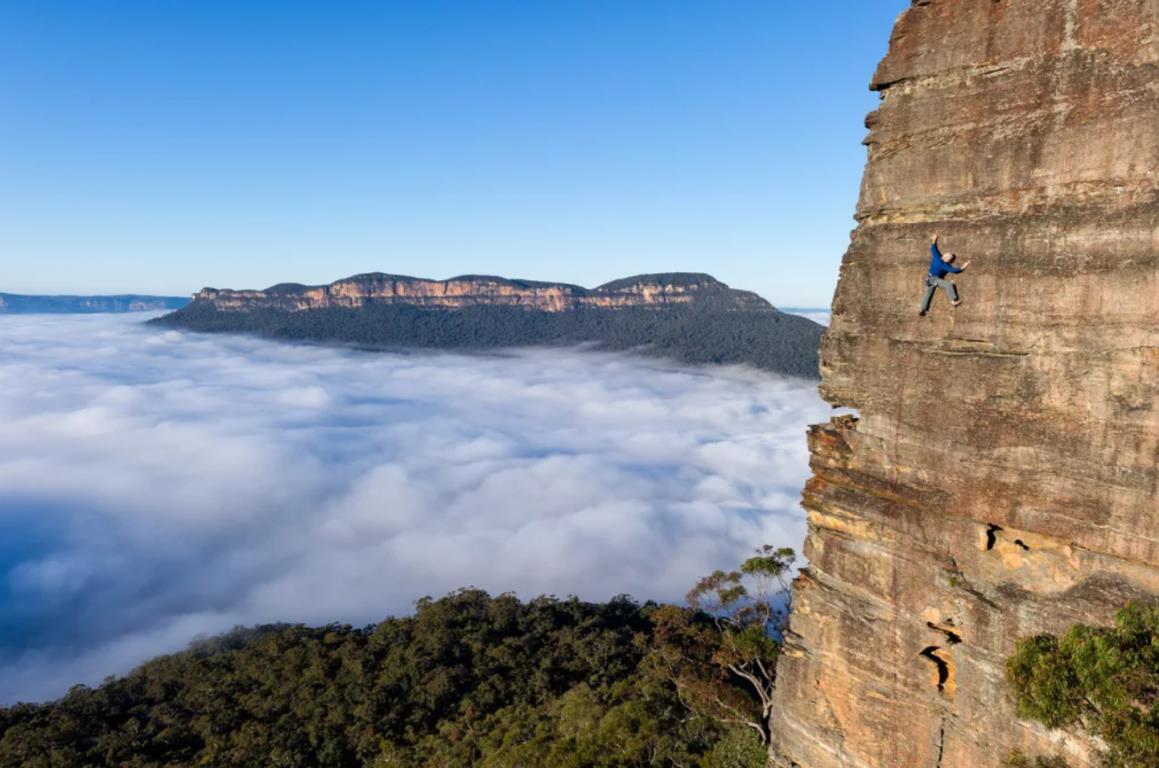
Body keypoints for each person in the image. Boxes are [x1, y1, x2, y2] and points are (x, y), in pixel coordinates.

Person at [919, 234, 970, 316]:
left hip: (929, 279)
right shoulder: (943, 264)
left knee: (927, 293)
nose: (949, 258)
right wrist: (963, 267)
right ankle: (953, 301)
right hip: (934, 279)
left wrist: (934, 239)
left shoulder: (939, 259)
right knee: (948, 284)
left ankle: (922, 309)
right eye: (948, 256)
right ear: (945, 257)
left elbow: (933, 248)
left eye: (949, 258)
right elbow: (954, 270)